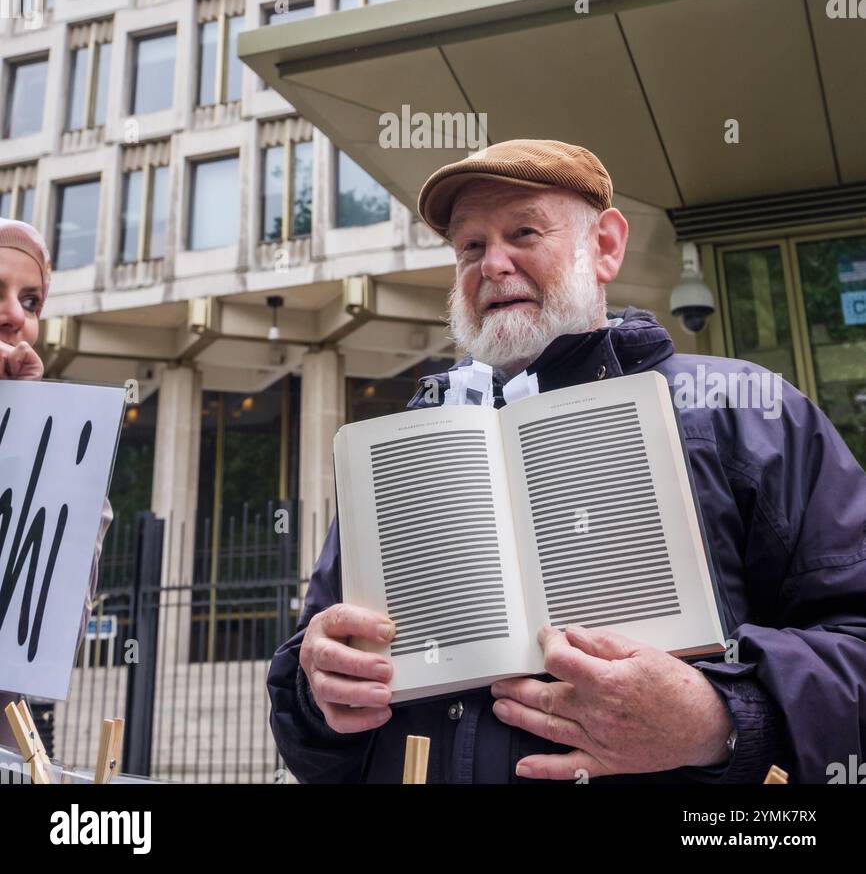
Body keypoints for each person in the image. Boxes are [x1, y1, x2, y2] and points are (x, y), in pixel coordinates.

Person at [267, 138, 866, 784]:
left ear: (605, 247)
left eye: (523, 232)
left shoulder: (745, 414)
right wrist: (315, 691)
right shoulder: (403, 454)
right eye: (471, 246)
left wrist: (719, 718)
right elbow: (316, 732)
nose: (493, 264)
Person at [0, 217, 114, 753]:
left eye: (31, 300)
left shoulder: (58, 451)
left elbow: (48, 634)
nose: (13, 317)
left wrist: (30, 428)